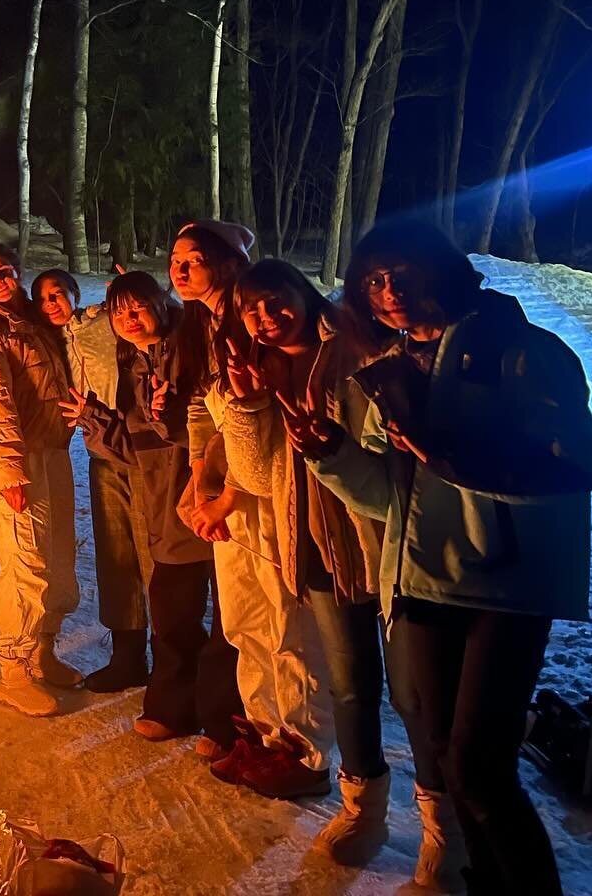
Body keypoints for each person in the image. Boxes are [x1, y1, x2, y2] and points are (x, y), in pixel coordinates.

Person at [302, 221, 592, 893]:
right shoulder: (398, 368)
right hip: (424, 579)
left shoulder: (525, 354)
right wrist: (330, 454)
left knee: (478, 765)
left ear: (446, 270)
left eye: (405, 274)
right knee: (442, 752)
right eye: (375, 280)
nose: (391, 292)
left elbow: (577, 463)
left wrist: (451, 456)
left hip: (505, 585)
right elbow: (393, 499)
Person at [220, 259, 454, 853]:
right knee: (350, 687)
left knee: (414, 695)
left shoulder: (358, 345)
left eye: (277, 301)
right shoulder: (255, 368)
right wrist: (246, 406)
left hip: (387, 546)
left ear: (304, 295)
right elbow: (251, 474)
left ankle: (442, 833)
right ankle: (363, 810)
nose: (267, 318)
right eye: (253, 310)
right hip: (316, 548)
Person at [171, 220, 334, 790]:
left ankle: (305, 748)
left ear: (227, 262)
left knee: (284, 619)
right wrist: (199, 484)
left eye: (193, 259)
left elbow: (261, 435)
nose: (180, 271)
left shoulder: (256, 327)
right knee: (243, 619)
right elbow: (202, 407)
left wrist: (225, 497)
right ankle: (264, 730)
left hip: (271, 497)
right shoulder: (204, 325)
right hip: (231, 496)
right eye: (175, 261)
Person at [62, 272, 241, 753]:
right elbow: (135, 447)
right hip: (169, 507)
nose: (129, 318)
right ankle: (173, 708)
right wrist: (94, 417)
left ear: (163, 304)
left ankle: (226, 722)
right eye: (120, 312)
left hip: (224, 499)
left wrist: (177, 418)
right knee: (172, 608)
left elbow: (220, 426)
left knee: (232, 617)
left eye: (138, 306)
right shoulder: (134, 366)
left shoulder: (196, 346)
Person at [0, 243, 79, 717]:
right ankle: (13, 671)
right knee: (25, 562)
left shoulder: (36, 320)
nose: (1, 281)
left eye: (7, 272)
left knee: (57, 557)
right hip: (19, 459)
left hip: (52, 453)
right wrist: (8, 469)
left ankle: (42, 651)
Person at [35, 267, 150, 691]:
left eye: (58, 293)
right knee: (116, 558)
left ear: (74, 293)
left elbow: (149, 325)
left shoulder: (105, 320)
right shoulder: (49, 342)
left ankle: (178, 660)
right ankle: (129, 656)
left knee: (155, 557)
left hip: (142, 446)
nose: (52, 303)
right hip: (102, 454)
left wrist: (123, 294)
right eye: (44, 298)